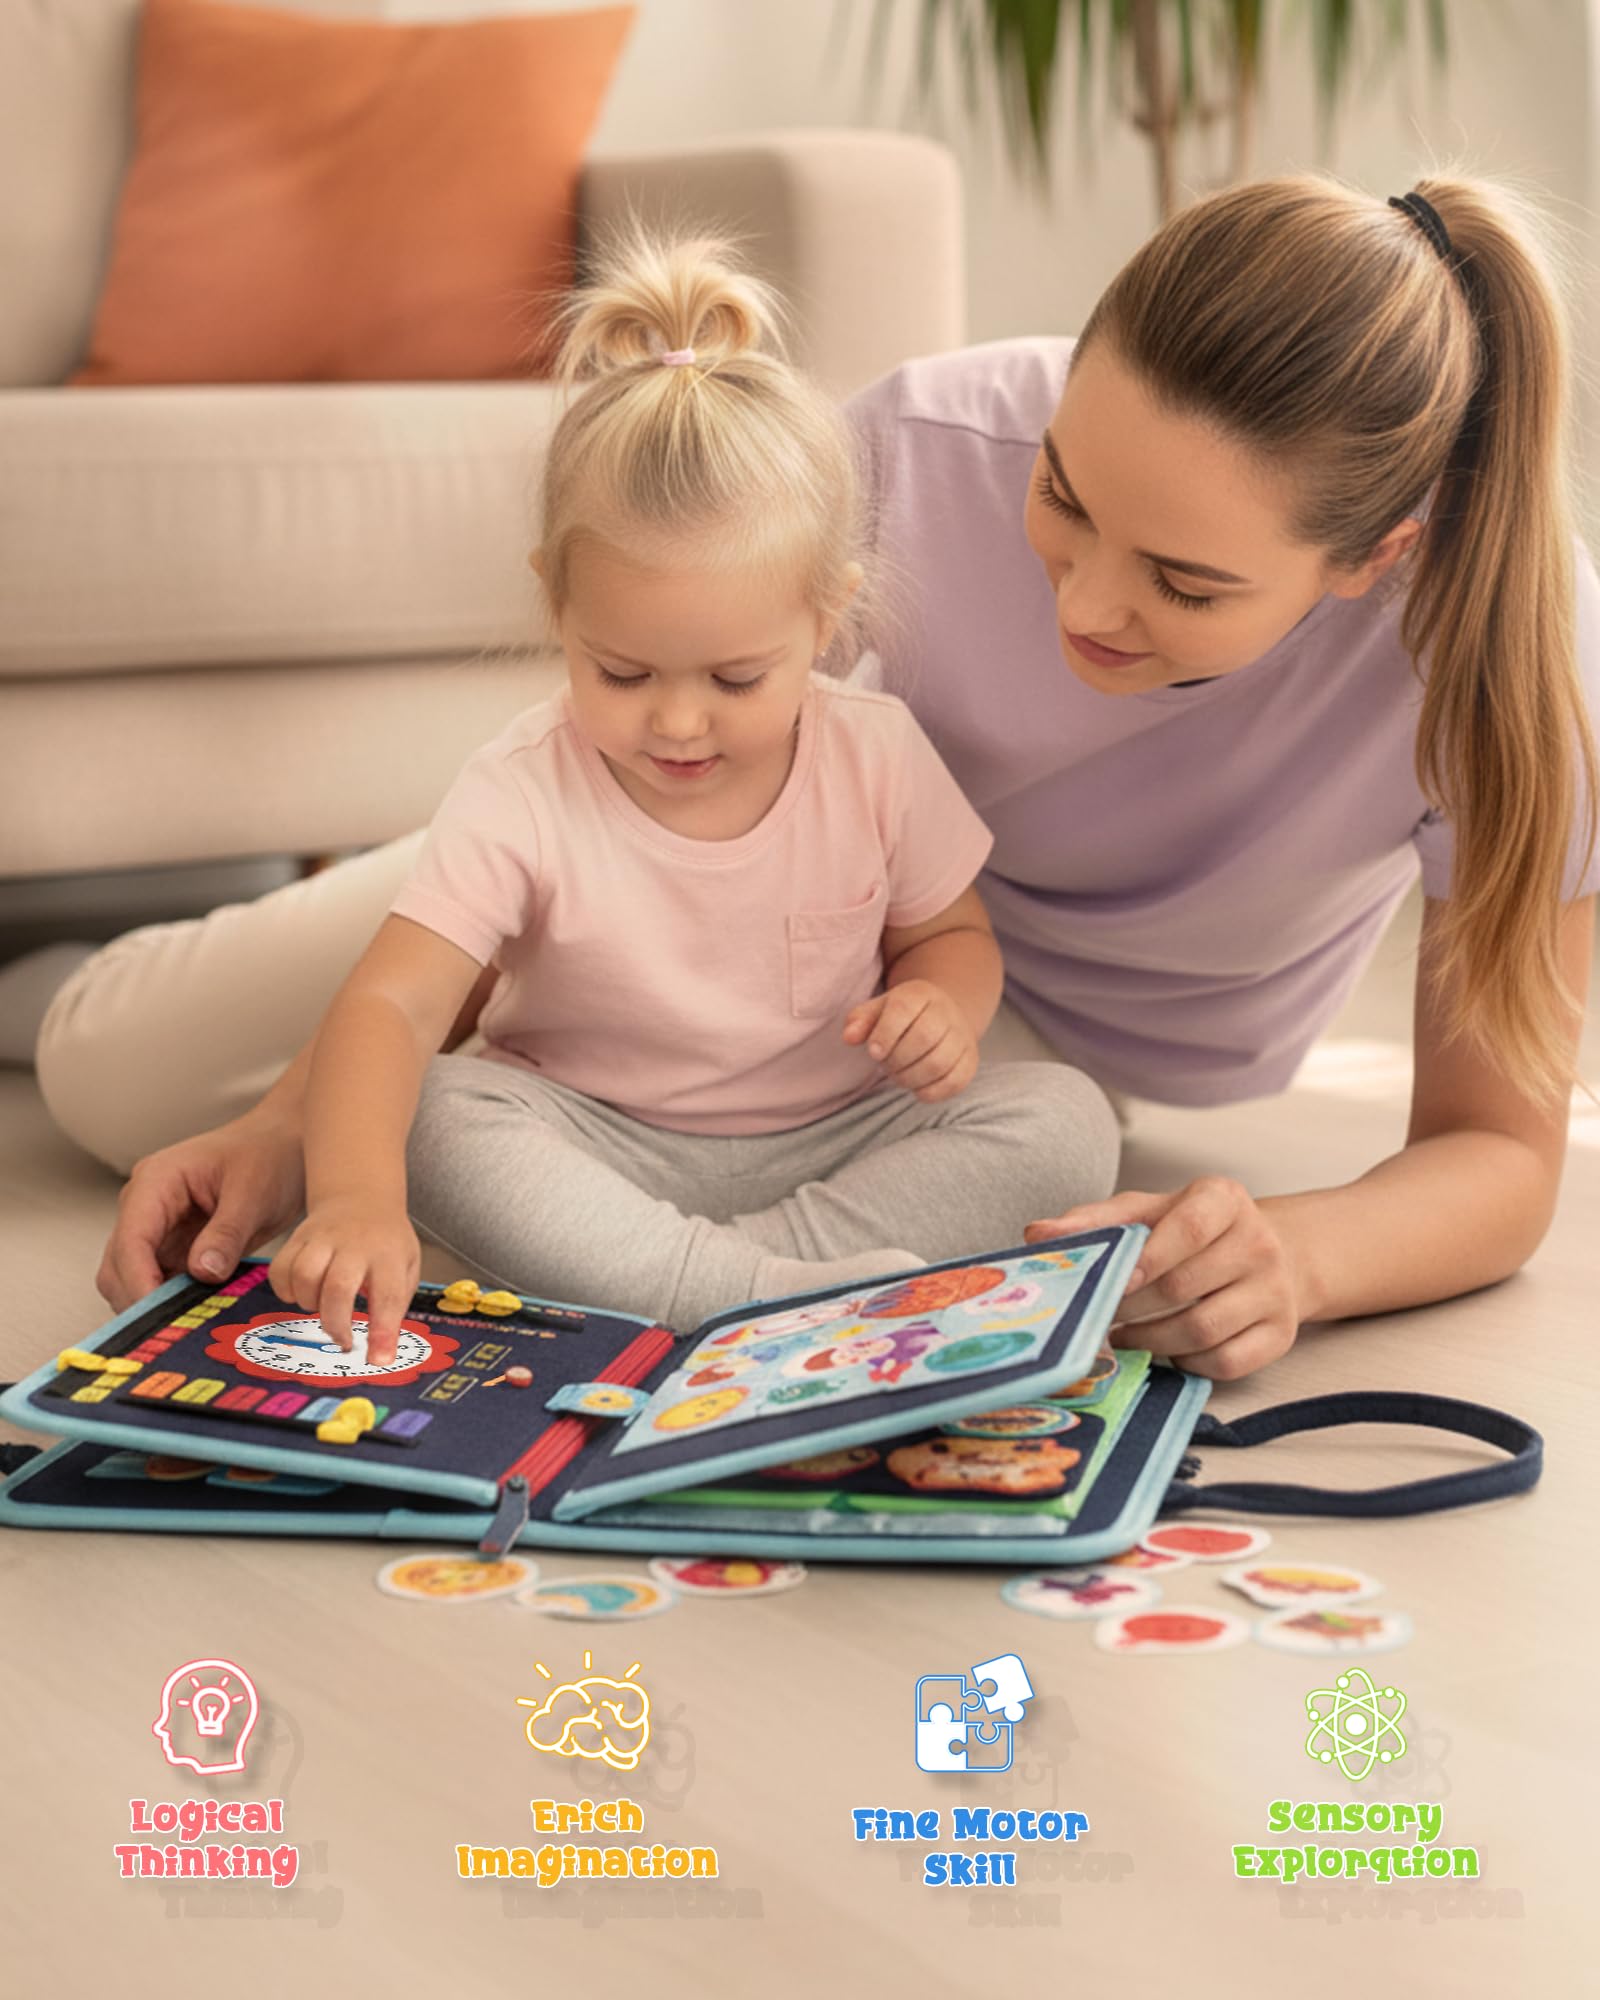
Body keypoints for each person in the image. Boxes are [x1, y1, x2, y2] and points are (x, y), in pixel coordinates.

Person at [44, 170, 1599, 1382]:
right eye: (1063, 496)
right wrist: (313, 1135)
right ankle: (50, 975)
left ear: (1374, 559)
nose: (1082, 607)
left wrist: (1295, 1256)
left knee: (1059, 1132)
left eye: (1185, 588)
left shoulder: (1512, 664)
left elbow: (1500, 1157)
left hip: (974, 1041)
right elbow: (659, 769)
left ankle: (722, 1294)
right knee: (113, 1076)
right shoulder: (925, 444)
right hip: (677, 884)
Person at [194, 230, 1117, 1358]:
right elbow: (391, 1006)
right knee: (435, 1115)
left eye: (738, 678)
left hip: (838, 1132)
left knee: (1067, 1118)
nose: (677, 723)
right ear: (557, 611)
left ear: (827, 620)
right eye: (621, 673)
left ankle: (715, 1278)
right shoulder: (522, 786)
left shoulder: (873, 752)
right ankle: (764, 1290)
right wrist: (350, 1195)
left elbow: (952, 935)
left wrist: (943, 1004)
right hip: (594, 1136)